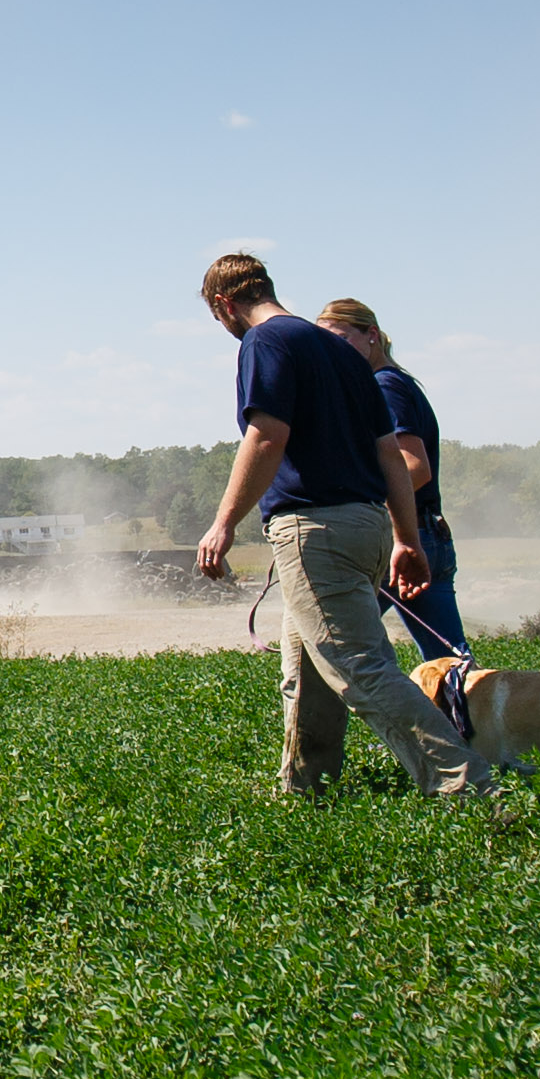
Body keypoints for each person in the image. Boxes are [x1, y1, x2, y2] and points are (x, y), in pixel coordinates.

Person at [189, 253, 474, 794]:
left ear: (225, 304)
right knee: (307, 672)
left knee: (360, 667)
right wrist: (406, 539)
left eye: (217, 318)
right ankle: (304, 787)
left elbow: (267, 436)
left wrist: (223, 524)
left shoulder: (266, 342)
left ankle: (469, 784)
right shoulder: (345, 355)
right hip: (366, 525)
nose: (224, 328)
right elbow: (389, 454)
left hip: (314, 529)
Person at [321, 298, 468, 663]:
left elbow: (414, 467)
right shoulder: (396, 382)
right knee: (449, 660)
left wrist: (358, 506)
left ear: (371, 335)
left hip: (400, 538)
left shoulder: (384, 387)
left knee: (337, 648)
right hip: (427, 534)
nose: (335, 351)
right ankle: (469, 719)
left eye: (342, 339)